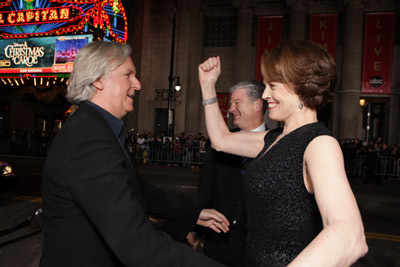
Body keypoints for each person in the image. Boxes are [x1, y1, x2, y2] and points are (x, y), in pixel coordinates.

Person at [40, 41, 230, 267]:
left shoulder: (98, 128)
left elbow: (137, 188)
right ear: (98, 80)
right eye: (128, 75)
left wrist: (192, 216)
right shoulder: (88, 137)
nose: (138, 84)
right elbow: (136, 242)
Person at [198, 40, 368, 266]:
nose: (265, 94)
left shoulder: (319, 143)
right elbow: (220, 140)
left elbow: (350, 236)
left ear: (299, 87)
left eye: (273, 86)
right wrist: (208, 85)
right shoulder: (273, 139)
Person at [187, 80, 266, 267]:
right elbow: (206, 187)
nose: (231, 109)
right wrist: (197, 229)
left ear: (258, 104)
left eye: (237, 103)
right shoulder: (218, 142)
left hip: (257, 244)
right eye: (231, 104)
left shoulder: (277, 143)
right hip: (219, 241)